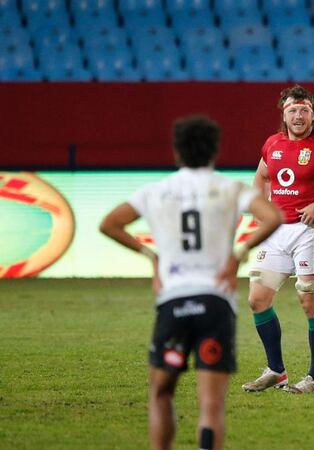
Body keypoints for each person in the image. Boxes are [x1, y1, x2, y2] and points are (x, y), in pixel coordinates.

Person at [99, 115, 283, 450]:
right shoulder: (230, 188)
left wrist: (151, 257)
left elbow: (109, 224)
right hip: (216, 303)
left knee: (161, 392)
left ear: (176, 152)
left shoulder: (157, 191)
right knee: (211, 405)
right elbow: (273, 216)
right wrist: (238, 253)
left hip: (174, 303)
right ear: (215, 151)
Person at [241, 85, 314, 394]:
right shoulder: (272, 144)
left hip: (312, 230)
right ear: (283, 114)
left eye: (304, 109)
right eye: (292, 109)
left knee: (309, 302)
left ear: (313, 114)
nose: (298, 115)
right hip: (276, 230)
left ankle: (313, 380)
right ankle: (276, 370)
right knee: (257, 299)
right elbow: (263, 175)